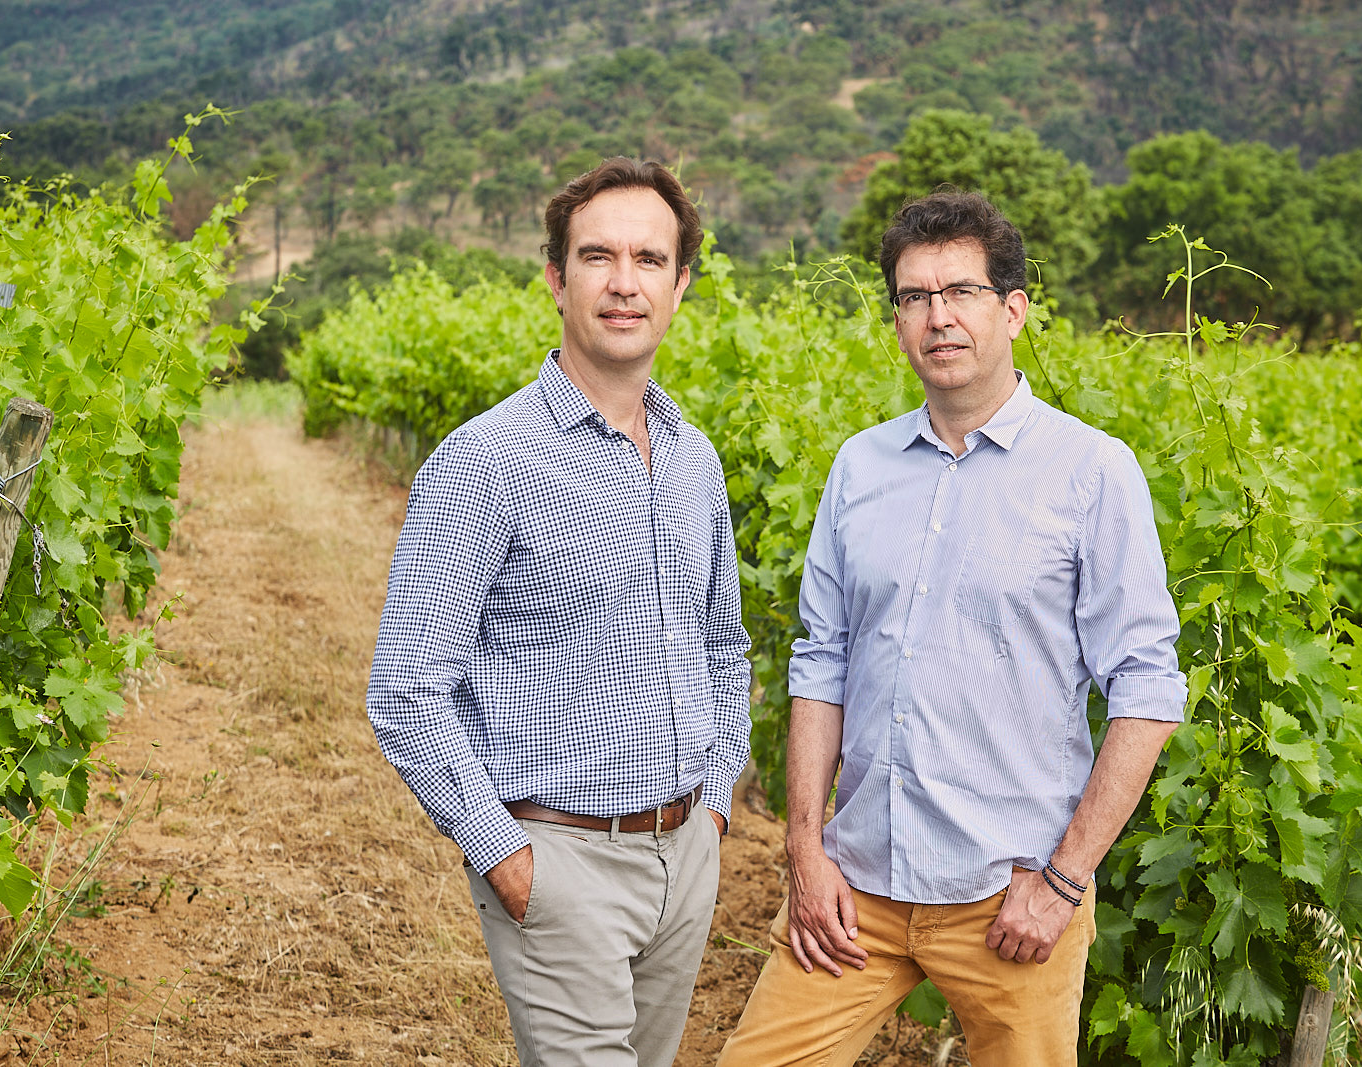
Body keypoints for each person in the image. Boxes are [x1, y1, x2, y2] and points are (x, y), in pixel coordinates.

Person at [717, 190, 1186, 1067]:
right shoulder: (861, 467)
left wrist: (1062, 882)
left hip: (1010, 903)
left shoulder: (1091, 472)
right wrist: (805, 851)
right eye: (914, 296)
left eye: (960, 291)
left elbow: (1149, 691)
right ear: (897, 320)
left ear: (1012, 308)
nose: (938, 316)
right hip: (855, 888)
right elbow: (821, 663)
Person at [365, 157, 751, 1067]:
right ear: (556, 277)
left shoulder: (695, 460)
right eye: (598, 256)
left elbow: (722, 644)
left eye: (650, 260)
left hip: (685, 853)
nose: (625, 283)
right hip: (558, 860)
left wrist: (718, 806)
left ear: (681, 285)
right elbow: (407, 688)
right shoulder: (486, 461)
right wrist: (506, 856)